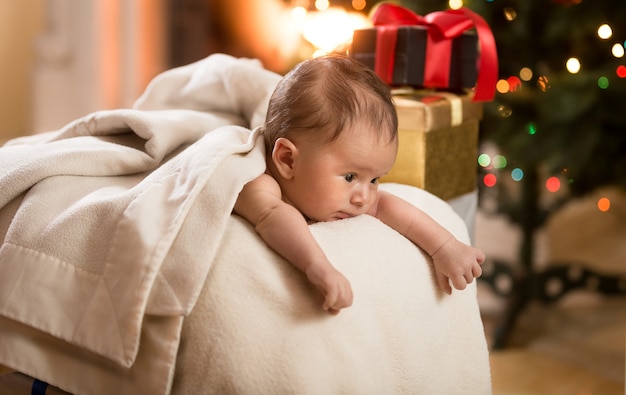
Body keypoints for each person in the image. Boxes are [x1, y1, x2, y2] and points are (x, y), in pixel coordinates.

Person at [234, 54, 485, 315]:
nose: (363, 198)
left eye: (375, 179)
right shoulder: (256, 181)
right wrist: (318, 267)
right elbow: (274, 216)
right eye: (350, 177)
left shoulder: (354, 194)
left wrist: (444, 247)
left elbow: (386, 204)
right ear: (287, 160)